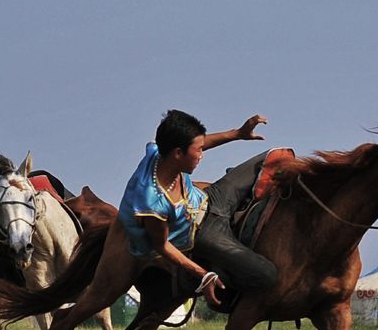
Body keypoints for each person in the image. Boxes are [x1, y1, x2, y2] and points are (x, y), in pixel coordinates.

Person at [117, 110, 277, 308]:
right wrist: (203, 275)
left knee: (275, 157)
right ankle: (227, 286)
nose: (202, 155)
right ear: (178, 154)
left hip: (213, 198)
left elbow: (194, 142)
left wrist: (238, 133)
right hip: (204, 233)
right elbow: (163, 246)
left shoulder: (159, 151)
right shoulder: (152, 204)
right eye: (198, 150)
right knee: (267, 276)